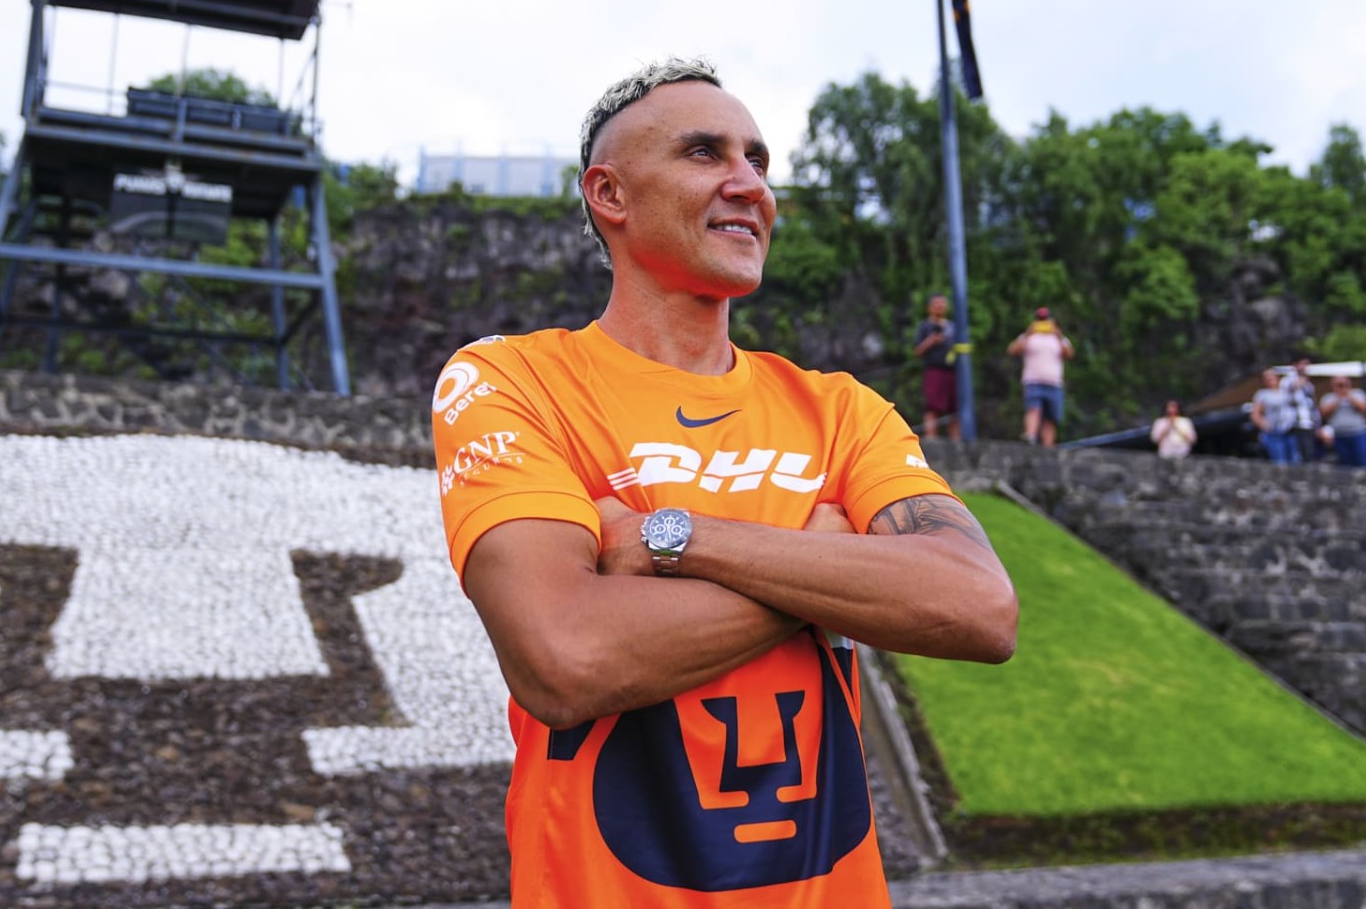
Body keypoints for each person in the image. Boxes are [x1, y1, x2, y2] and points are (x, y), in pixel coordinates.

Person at [431, 59, 1017, 908]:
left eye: (758, 160)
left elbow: (980, 606)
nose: (750, 185)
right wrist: (825, 567)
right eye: (705, 153)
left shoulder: (841, 408)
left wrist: (671, 539)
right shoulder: (511, 381)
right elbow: (564, 656)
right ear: (610, 194)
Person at [1007, 307, 1074, 447]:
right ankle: (1030, 436)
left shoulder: (1059, 339)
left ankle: (1048, 446)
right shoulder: (1028, 337)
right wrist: (1028, 334)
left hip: (1054, 382)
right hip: (1033, 380)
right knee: (1034, 409)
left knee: (1051, 417)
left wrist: (1059, 336)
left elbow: (1069, 354)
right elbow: (1012, 350)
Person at [913, 293, 961, 441]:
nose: (940, 307)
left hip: (952, 370)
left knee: (954, 407)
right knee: (932, 406)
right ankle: (931, 438)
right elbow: (917, 351)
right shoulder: (925, 326)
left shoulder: (952, 327)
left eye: (943, 304)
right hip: (934, 369)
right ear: (930, 307)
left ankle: (956, 440)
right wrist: (931, 341)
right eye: (937, 304)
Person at [1319, 375, 1366, 469]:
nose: (1341, 387)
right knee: (1344, 465)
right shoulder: (1328, 397)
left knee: (1362, 462)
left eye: (1344, 384)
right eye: (1338, 384)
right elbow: (1323, 413)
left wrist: (1348, 395)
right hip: (1339, 435)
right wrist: (1338, 398)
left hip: (1358, 433)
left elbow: (1365, 408)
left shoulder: (1358, 393)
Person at [1250, 369, 1300, 464]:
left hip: (1290, 430)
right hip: (1275, 432)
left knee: (1295, 460)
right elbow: (1255, 414)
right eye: (1267, 378)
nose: (1270, 379)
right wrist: (1263, 424)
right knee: (1280, 461)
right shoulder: (1262, 394)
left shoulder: (1285, 391)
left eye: (1272, 377)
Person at [1282, 356, 1322, 464]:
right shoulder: (1287, 381)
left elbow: (1312, 406)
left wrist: (1317, 424)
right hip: (1294, 424)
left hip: (1308, 424)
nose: (1305, 367)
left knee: (1309, 454)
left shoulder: (1309, 386)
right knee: (1296, 456)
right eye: (1303, 364)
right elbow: (1289, 394)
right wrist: (1300, 378)